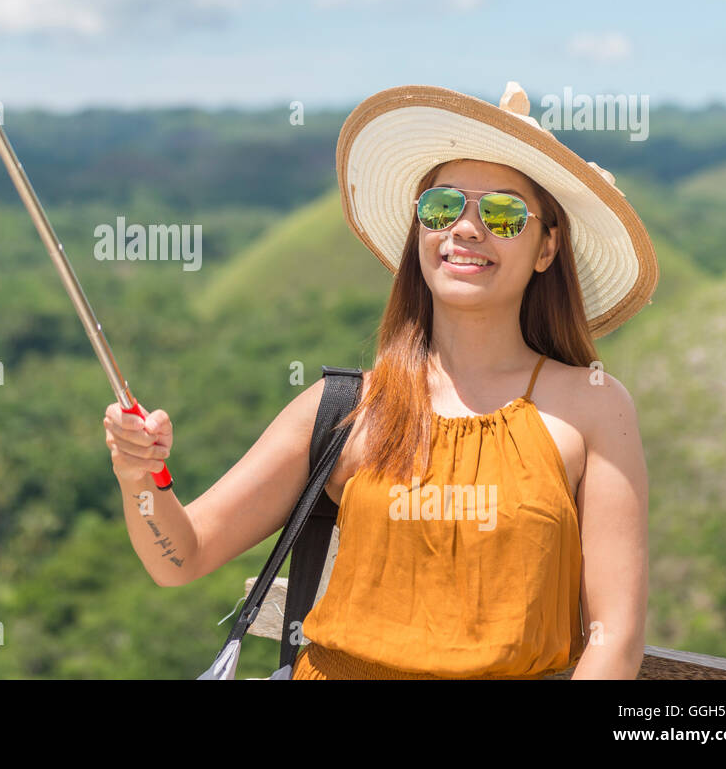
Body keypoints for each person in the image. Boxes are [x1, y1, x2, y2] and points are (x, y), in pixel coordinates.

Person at [106, 81, 655, 679]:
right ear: (421, 229)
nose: (467, 229)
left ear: (547, 246)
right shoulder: (349, 407)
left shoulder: (592, 407)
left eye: (501, 213)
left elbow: (614, 636)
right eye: (442, 207)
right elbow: (181, 556)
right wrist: (140, 477)